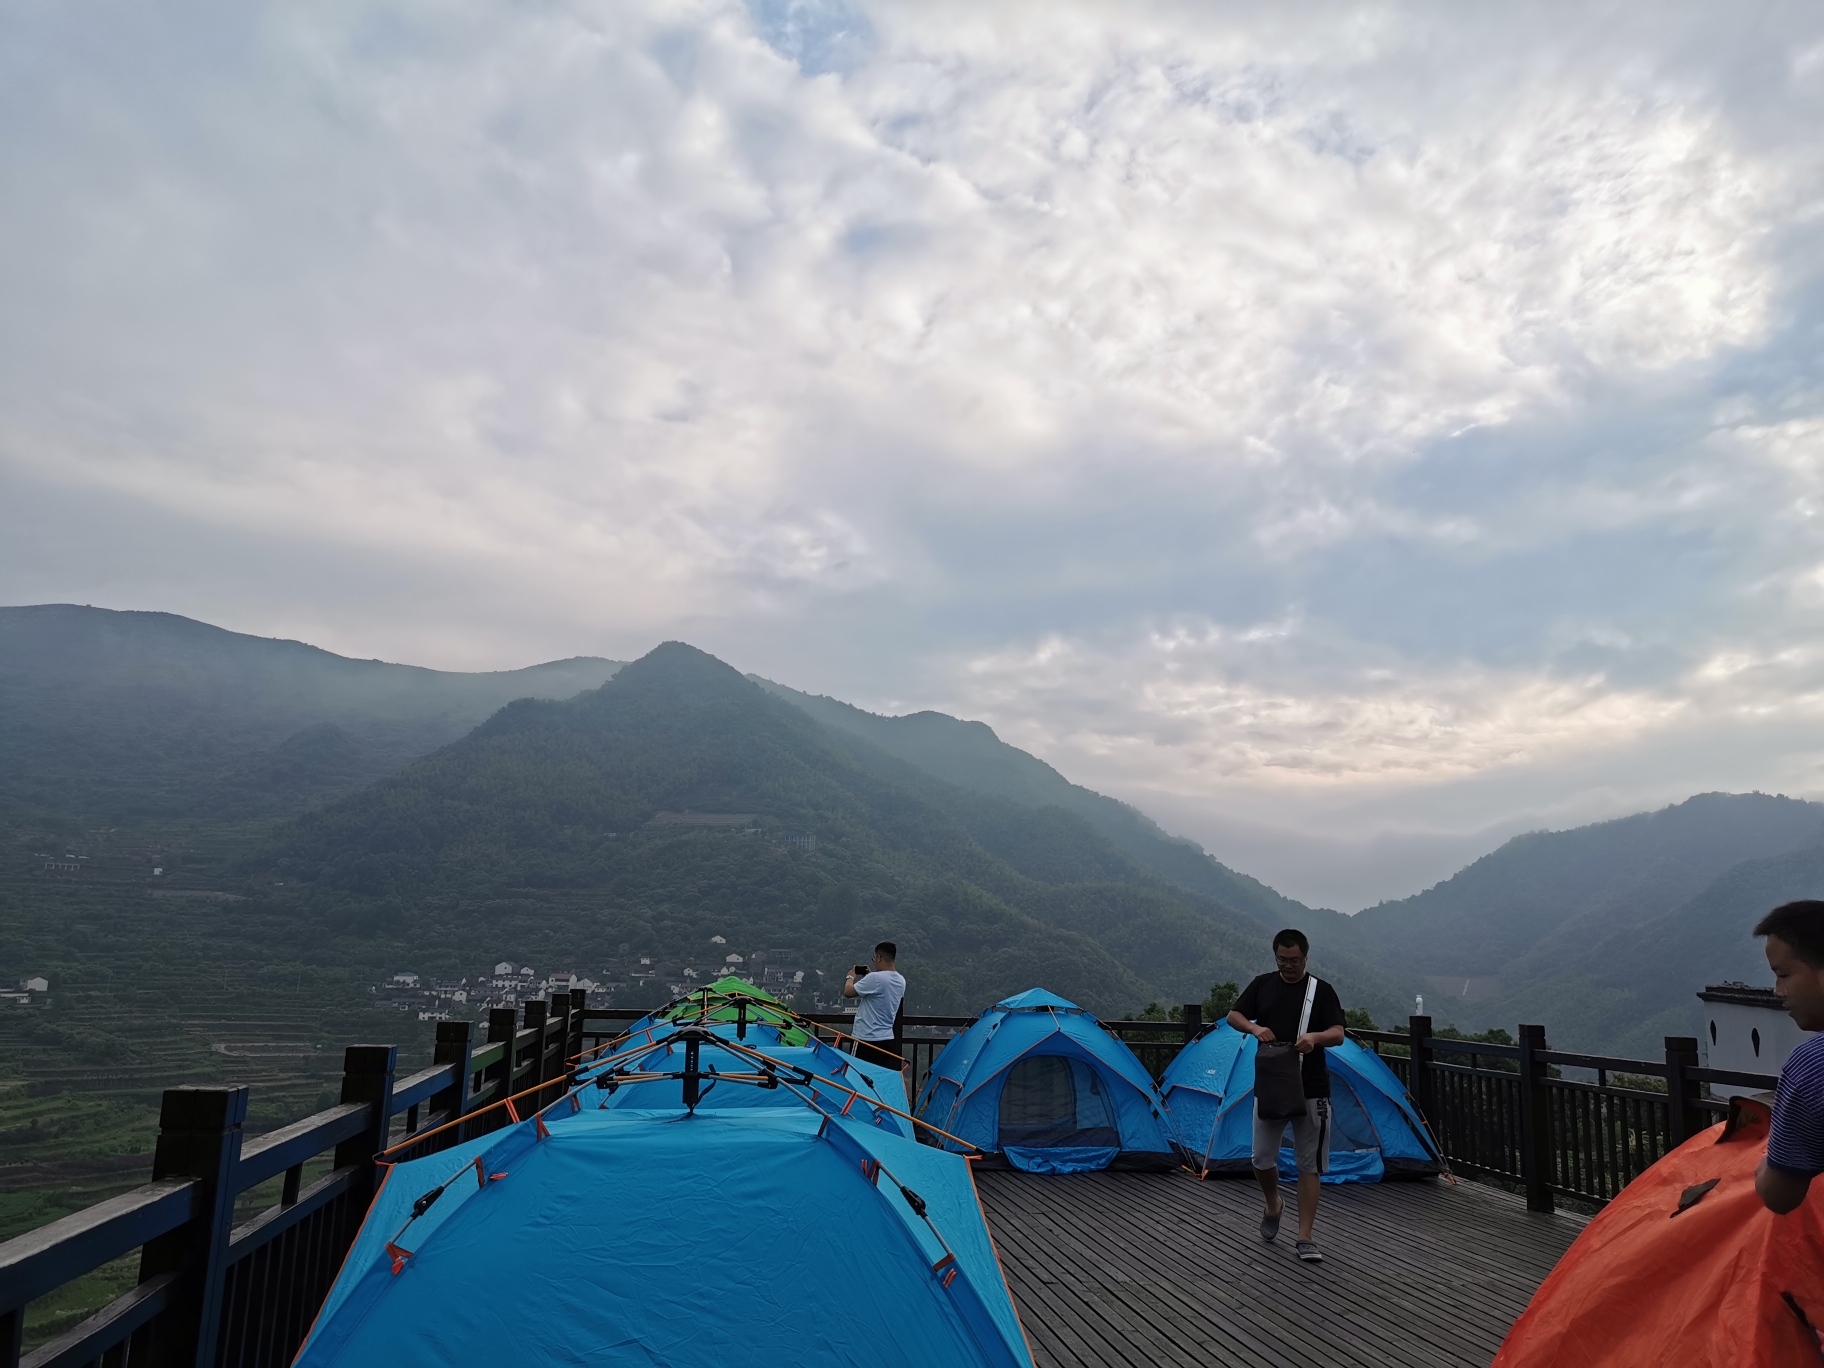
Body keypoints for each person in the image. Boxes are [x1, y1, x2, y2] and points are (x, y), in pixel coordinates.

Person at [1227, 928, 1347, 1264]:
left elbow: (1338, 1033)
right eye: (1282, 959)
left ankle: (1305, 1236)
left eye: (1294, 960)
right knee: (1261, 1158)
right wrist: (1254, 1028)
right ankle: (1273, 1203)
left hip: (1312, 1089)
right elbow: (1233, 1015)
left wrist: (1315, 1038)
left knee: (1309, 1165)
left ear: (1305, 957)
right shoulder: (1263, 984)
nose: (1288, 966)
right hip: (1271, 1086)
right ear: (1275, 955)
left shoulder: (1321, 991)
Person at [1753, 900, 1824, 1215]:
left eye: (1783, 974)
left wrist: (1762, 1166)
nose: (1777, 990)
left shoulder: (1812, 1065)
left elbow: (1779, 1196)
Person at [843, 941, 906, 1072]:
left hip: (865, 1039)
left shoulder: (875, 978)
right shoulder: (901, 980)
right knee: (878, 1081)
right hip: (887, 1039)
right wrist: (869, 977)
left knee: (857, 1079)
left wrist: (850, 976)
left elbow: (848, 992)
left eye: (874, 958)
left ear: (879, 957)